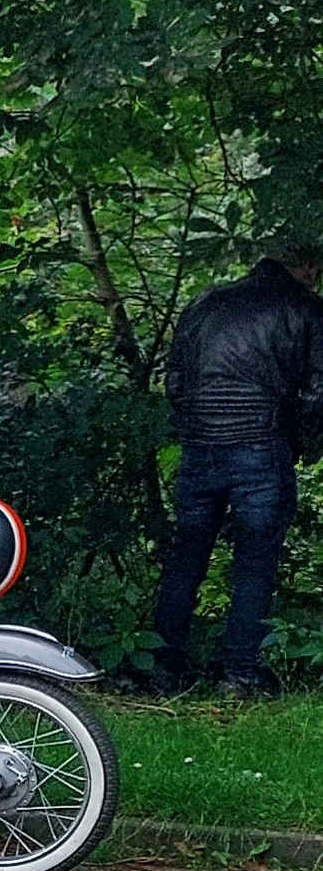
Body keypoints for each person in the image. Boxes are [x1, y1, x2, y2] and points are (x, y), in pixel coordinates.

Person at [149, 242, 323, 692]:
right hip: (261, 446)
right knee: (256, 561)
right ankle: (240, 672)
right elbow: (317, 394)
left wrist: (198, 425)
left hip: (200, 446)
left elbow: (175, 382)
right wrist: (301, 444)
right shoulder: (305, 308)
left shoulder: (207, 303)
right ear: (307, 267)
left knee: (186, 557)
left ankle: (163, 665)